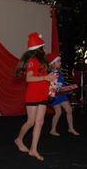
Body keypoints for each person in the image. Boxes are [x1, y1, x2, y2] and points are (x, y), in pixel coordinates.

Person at [13, 32, 57, 161]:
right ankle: (18, 139)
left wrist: (52, 84)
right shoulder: (33, 61)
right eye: (44, 47)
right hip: (32, 96)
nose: (46, 49)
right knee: (31, 121)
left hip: (42, 95)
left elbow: (44, 79)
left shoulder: (43, 62)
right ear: (40, 48)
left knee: (40, 122)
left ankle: (33, 149)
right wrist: (45, 77)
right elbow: (29, 78)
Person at [47, 53, 80, 136]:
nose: (60, 63)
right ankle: (53, 130)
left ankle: (71, 128)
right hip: (55, 96)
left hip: (62, 95)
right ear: (53, 63)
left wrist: (67, 90)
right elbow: (50, 87)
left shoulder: (59, 71)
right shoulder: (50, 74)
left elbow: (62, 84)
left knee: (69, 110)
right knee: (58, 112)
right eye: (58, 61)